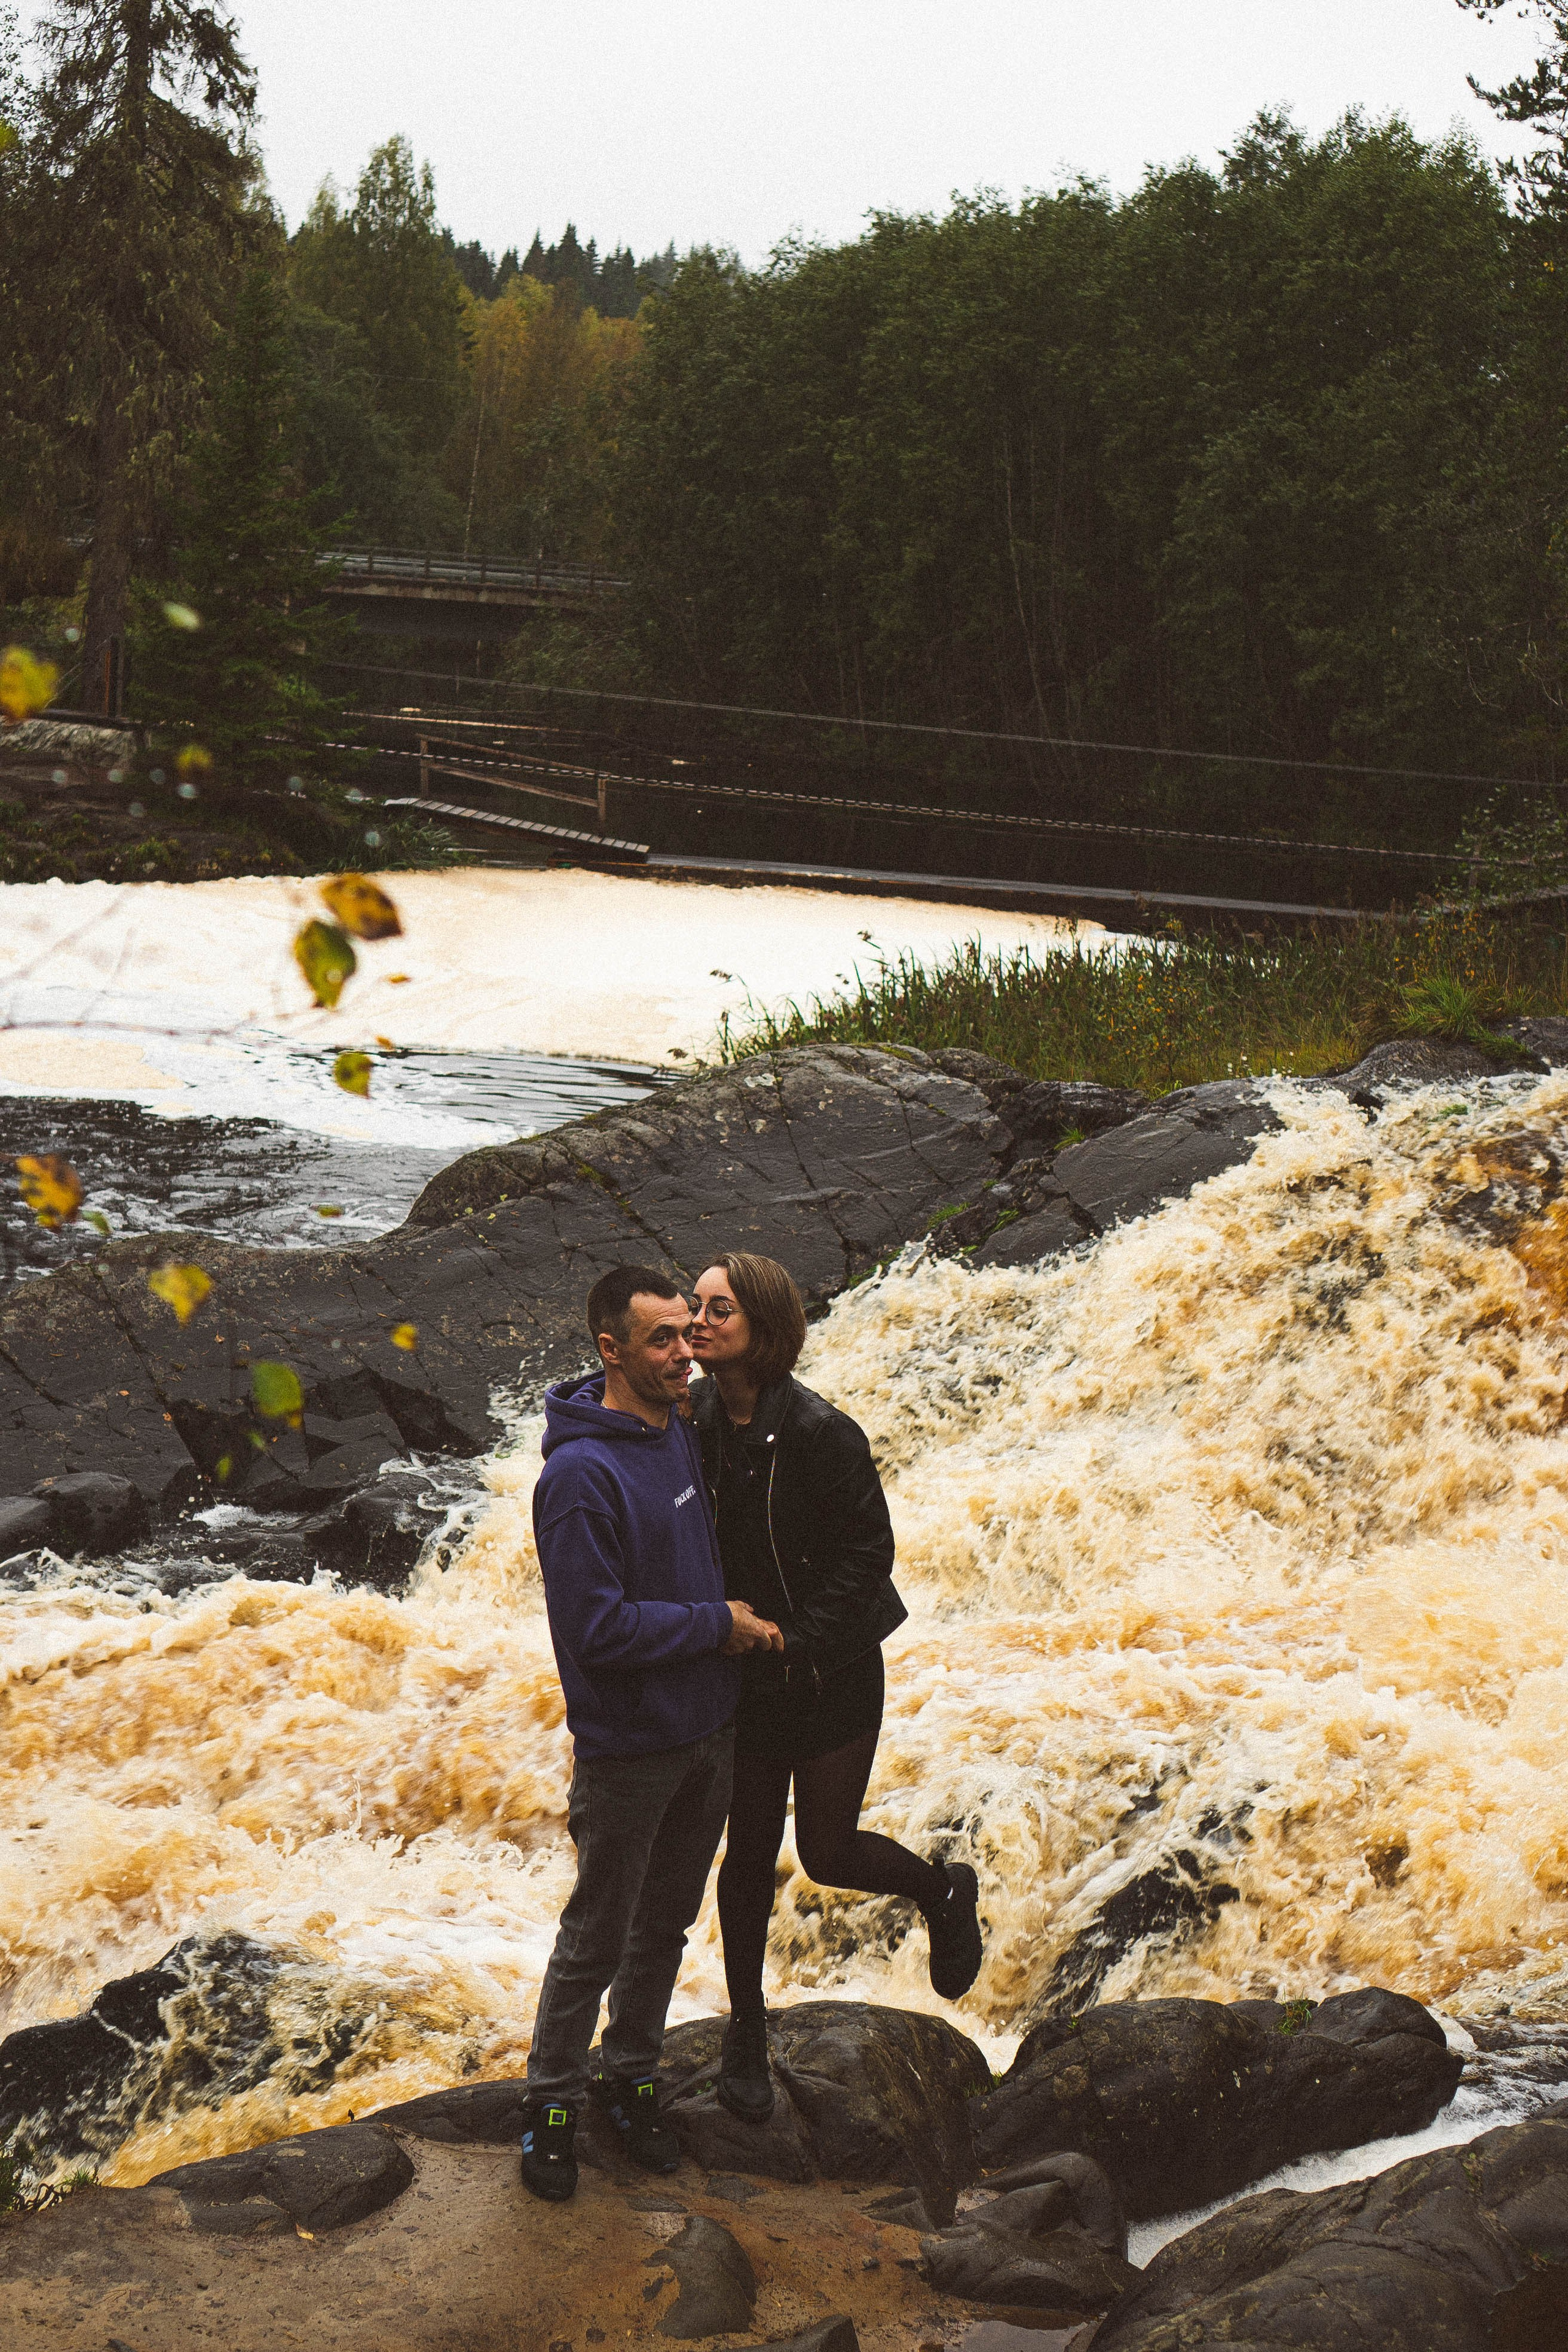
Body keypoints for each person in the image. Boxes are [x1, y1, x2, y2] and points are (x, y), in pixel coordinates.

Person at [688, 1251, 983, 2125]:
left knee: (826, 1852)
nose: (699, 1323)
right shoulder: (691, 1417)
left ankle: (943, 1890)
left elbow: (868, 1559)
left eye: (719, 1312)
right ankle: (746, 2030)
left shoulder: (822, 1432)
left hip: (831, 1666)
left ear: (765, 1332)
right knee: (744, 1856)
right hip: (742, 1666)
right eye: (696, 1308)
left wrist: (793, 1638)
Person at [518, 1264, 783, 2203]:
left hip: (708, 1730)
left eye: (689, 1332)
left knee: (664, 1927)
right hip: (630, 1747)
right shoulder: (579, 1477)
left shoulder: (675, 1428)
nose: (687, 1353)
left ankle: (630, 2079)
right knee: (597, 1933)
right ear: (611, 1350)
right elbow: (597, 1631)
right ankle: (550, 2106)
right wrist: (719, 1624)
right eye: (664, 1340)